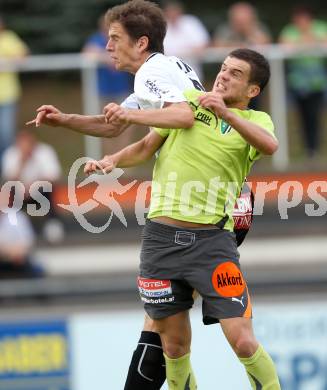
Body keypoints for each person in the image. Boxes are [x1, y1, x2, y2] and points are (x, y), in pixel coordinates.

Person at [27, 1, 203, 388]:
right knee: (168, 329)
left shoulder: (151, 74)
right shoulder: (166, 69)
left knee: (168, 324)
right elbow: (113, 125)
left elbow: (183, 116)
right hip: (205, 205)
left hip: (193, 210)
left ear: (141, 43)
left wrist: (131, 118)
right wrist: (65, 119)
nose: (107, 46)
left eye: (114, 38)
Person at [84, 48, 280, 390]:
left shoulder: (255, 122)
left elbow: (270, 146)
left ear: (253, 91)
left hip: (213, 246)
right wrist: (112, 160)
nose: (223, 76)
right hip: (161, 243)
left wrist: (227, 114)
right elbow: (147, 146)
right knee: (174, 348)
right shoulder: (189, 102)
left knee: (244, 342)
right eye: (223, 69)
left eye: (236, 73)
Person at [279, 6, 327, 161]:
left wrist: (301, 43)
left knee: (315, 116)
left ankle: (313, 149)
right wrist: (309, 42)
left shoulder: (321, 27)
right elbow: (284, 46)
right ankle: (306, 149)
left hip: (318, 83)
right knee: (300, 116)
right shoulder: (289, 31)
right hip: (297, 82)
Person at [82, 14, 134, 155]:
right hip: (103, 93)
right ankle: (108, 165)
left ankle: (125, 167)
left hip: (123, 93)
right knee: (104, 130)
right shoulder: (96, 39)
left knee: (125, 131)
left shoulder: (123, 40)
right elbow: (88, 53)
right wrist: (107, 58)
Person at [1, 129, 64, 243]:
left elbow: (53, 177)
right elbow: (9, 180)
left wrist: (34, 186)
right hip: (19, 192)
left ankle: (52, 225)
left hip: (41, 191)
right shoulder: (11, 154)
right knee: (11, 193)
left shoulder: (45, 152)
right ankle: (14, 228)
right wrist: (22, 162)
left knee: (47, 190)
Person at [0, 15, 29, 164]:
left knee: (6, 134)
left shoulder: (8, 38)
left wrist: (11, 61)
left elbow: (23, 54)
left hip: (7, 96)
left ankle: (7, 171)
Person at [162, 0, 210, 79]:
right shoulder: (162, 25)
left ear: (180, 10)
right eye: (170, 10)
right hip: (167, 73)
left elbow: (203, 44)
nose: (172, 13)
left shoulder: (191, 22)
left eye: (174, 10)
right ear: (166, 12)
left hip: (192, 71)